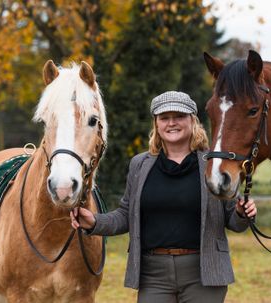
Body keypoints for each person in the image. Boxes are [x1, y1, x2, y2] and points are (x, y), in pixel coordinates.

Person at [70, 91, 257, 303]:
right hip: (153, 276)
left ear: (192, 120)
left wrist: (243, 213)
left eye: (179, 116)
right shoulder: (139, 165)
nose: (171, 123)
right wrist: (95, 222)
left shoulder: (212, 164)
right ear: (156, 124)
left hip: (204, 274)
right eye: (164, 118)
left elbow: (234, 220)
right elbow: (125, 215)